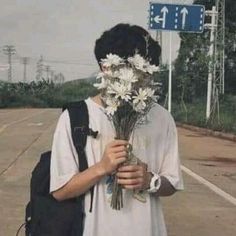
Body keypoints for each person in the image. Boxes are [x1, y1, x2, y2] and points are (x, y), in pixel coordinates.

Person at [50, 23, 184, 236]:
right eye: (133, 68)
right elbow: (60, 191)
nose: (141, 78)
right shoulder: (75, 118)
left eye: (146, 70)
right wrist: (101, 168)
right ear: (106, 67)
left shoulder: (162, 118)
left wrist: (150, 180)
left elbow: (172, 184)